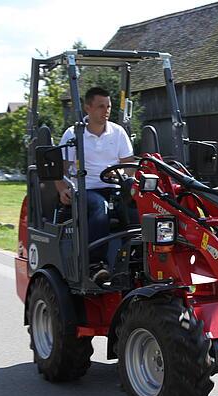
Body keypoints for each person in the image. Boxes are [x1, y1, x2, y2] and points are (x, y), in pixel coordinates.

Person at [56, 87, 134, 279]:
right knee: (100, 207)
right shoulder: (73, 134)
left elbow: (129, 165)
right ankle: (95, 264)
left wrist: (122, 174)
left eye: (108, 106)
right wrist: (62, 190)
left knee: (137, 209)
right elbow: (60, 168)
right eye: (100, 106)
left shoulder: (118, 132)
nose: (106, 110)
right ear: (87, 108)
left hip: (114, 187)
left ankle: (134, 259)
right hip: (85, 189)